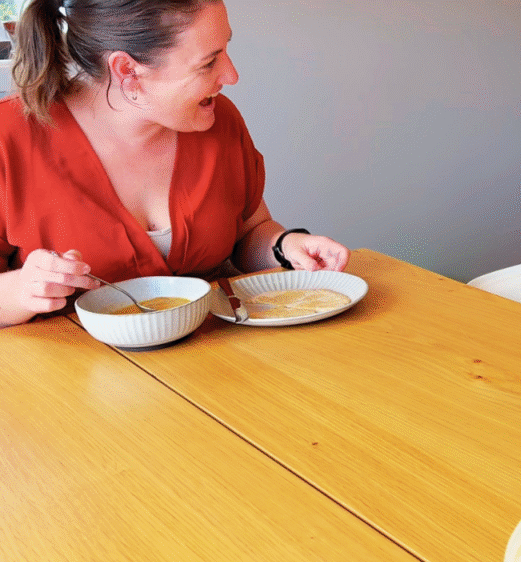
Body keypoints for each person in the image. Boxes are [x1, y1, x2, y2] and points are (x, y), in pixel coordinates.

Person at [0, 0, 350, 327]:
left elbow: (249, 231)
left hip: (214, 365)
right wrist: (21, 290)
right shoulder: (9, 137)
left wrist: (284, 246)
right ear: (128, 70)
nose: (231, 75)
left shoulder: (216, 119)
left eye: (227, 49)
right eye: (209, 62)